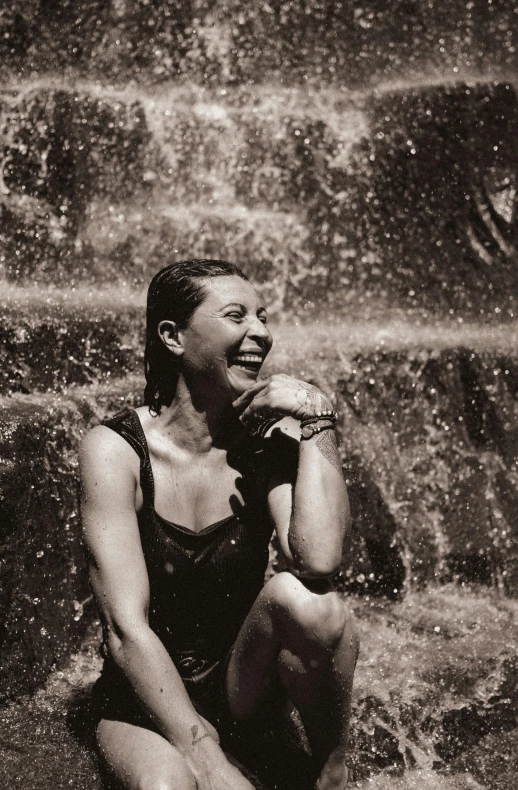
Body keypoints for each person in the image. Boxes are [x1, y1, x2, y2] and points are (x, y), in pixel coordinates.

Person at [80, 259, 359, 790]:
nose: (261, 333)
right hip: (142, 696)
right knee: (170, 788)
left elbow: (320, 559)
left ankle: (330, 772)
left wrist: (318, 417)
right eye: (237, 317)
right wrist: (205, 757)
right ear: (173, 336)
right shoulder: (113, 452)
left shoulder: (263, 446)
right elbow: (124, 629)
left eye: (263, 316)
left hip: (239, 686)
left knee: (312, 603)